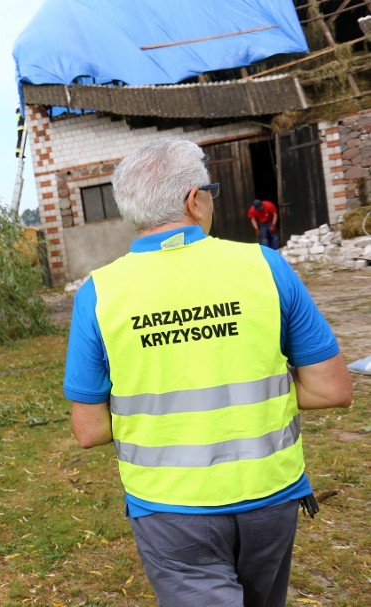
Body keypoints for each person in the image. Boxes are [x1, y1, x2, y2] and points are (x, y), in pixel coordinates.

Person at [64, 139, 353, 607]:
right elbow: (333, 388)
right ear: (192, 200)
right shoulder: (264, 266)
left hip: (170, 512)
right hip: (269, 496)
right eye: (211, 189)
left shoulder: (98, 294)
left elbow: (89, 429)